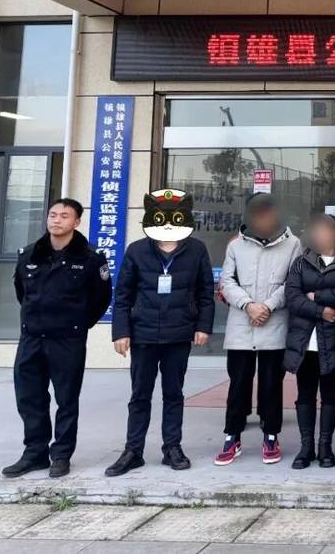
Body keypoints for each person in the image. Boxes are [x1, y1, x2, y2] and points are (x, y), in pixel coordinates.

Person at [105, 189, 215, 477]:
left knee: (173, 394)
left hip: (179, 333)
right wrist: (121, 332)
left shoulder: (196, 249)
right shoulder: (137, 250)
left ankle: (172, 448)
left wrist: (203, 326)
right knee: (139, 395)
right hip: (143, 334)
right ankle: (133, 451)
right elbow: (123, 295)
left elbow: (206, 293)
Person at [3, 198, 112, 479]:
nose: (56, 220)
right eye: (53, 215)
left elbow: (101, 299)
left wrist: (77, 325)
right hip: (31, 338)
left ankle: (61, 455)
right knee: (29, 398)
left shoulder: (91, 258)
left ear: (76, 222)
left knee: (66, 400)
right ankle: (35, 453)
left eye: (64, 216)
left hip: (67, 340)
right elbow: (21, 292)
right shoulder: (29, 254)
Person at [214, 194, 300, 466]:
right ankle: (232, 436)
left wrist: (268, 306)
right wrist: (248, 305)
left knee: (271, 384)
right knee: (238, 383)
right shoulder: (236, 245)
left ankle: (271, 435)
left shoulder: (293, 244)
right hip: (242, 325)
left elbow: (293, 282)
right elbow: (226, 281)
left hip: (274, 324)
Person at [284, 213, 335, 469]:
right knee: (305, 394)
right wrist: (321, 310)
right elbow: (292, 297)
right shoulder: (301, 262)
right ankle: (306, 447)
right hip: (304, 341)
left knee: (330, 394)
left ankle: (325, 446)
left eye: (326, 230)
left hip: (334, 338)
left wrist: (315, 295)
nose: (320, 235)